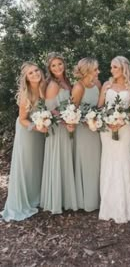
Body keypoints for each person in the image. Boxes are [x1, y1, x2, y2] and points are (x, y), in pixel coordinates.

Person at [98, 56, 130, 223]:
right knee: (109, 160)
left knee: (123, 159)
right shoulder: (106, 85)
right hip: (106, 129)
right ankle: (109, 205)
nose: (112, 70)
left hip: (125, 128)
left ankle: (125, 205)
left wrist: (123, 119)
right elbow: (100, 106)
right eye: (111, 67)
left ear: (123, 68)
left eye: (115, 67)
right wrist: (108, 120)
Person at [1, 62, 46, 221]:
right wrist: (37, 127)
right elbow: (22, 120)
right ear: (26, 78)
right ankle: (23, 201)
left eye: (36, 70)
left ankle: (37, 196)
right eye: (30, 73)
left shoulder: (45, 87)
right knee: (26, 164)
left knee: (37, 163)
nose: (35, 74)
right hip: (28, 131)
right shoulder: (26, 94)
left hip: (41, 131)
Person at [40, 52, 77, 214]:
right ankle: (56, 200)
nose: (57, 68)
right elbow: (50, 109)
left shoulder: (66, 82)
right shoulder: (53, 85)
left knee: (65, 159)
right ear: (49, 68)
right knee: (58, 159)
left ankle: (65, 198)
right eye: (53, 65)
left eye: (59, 64)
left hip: (66, 126)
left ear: (64, 65)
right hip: (57, 128)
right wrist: (65, 120)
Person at [72, 57, 101, 211]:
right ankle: (86, 201)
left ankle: (97, 199)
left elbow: (101, 106)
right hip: (83, 132)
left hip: (96, 130)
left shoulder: (97, 84)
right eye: (96, 69)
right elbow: (72, 111)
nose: (98, 72)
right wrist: (85, 120)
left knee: (96, 163)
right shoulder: (78, 87)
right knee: (86, 163)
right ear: (88, 70)